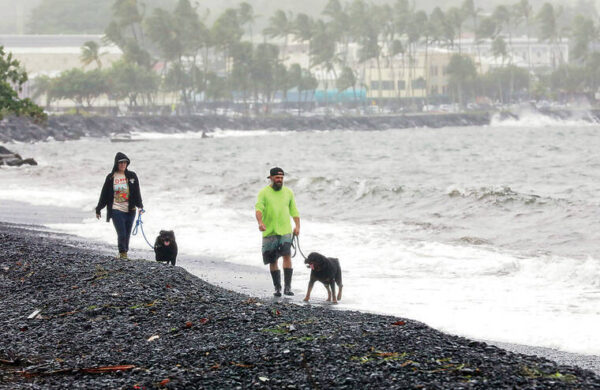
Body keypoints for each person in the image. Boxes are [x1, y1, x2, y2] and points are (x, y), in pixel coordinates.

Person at [255, 167, 300, 297]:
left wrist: (297, 226)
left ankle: (287, 287)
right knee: (273, 259)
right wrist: (260, 222)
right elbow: (258, 209)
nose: (279, 180)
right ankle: (277, 288)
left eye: (281, 178)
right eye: (277, 178)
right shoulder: (263, 193)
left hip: (285, 230)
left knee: (287, 256)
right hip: (269, 231)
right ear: (271, 178)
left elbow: (294, 211)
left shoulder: (288, 192)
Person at [95, 152, 144, 259]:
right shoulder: (111, 177)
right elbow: (104, 194)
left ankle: (124, 252)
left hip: (130, 210)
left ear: (127, 164)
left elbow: (137, 192)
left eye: (124, 163)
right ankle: (123, 253)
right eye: (120, 163)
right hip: (116, 209)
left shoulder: (132, 176)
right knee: (121, 233)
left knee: (127, 233)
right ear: (116, 164)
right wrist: (99, 208)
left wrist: (140, 206)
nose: (122, 165)